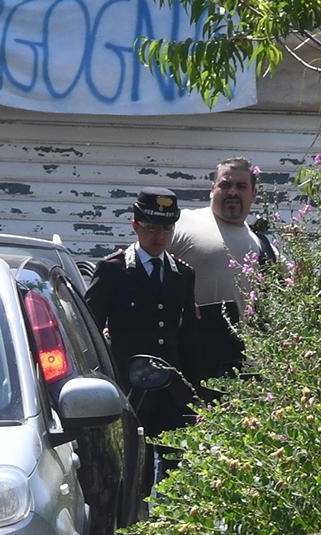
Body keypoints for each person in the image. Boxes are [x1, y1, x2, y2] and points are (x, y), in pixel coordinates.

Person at [83, 187, 200, 440]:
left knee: (176, 459)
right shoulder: (113, 270)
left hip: (172, 392)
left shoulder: (182, 274)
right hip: (129, 390)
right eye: (151, 228)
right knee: (135, 458)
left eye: (167, 229)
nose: (159, 236)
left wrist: (196, 391)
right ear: (135, 225)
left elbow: (190, 337)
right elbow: (89, 331)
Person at [170, 156, 277, 381]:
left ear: (254, 194)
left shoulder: (261, 245)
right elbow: (137, 263)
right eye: (225, 184)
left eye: (241, 186)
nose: (232, 192)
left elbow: (297, 282)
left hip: (244, 369)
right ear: (212, 189)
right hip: (187, 362)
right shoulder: (183, 223)